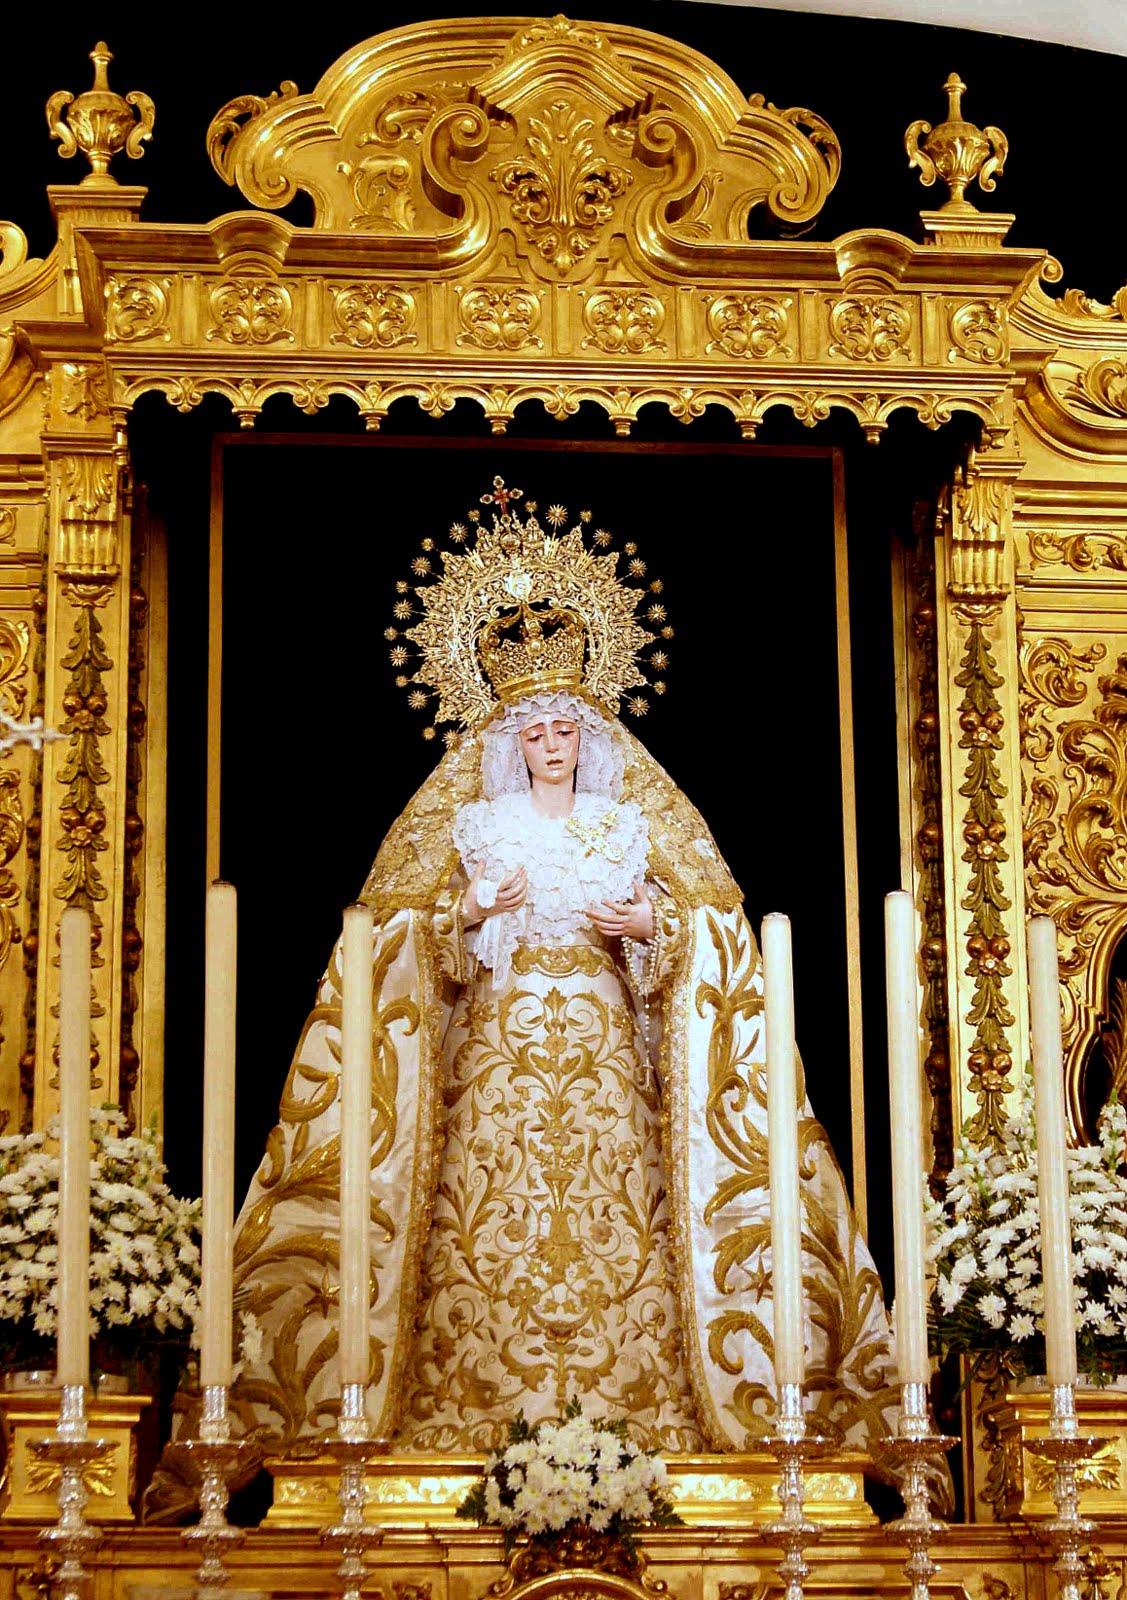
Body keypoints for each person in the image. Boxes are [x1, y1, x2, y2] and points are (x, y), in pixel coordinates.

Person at [203, 484, 903, 1463]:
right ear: (503, 737)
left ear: (588, 733)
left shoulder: (630, 826)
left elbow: (708, 941)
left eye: (563, 728)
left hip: (608, 1053)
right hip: (494, 1061)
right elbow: (399, 953)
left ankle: (644, 1416)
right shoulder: (470, 826)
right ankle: (475, 1413)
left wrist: (650, 926)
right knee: (489, 1220)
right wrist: (465, 915)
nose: (548, 741)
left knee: (623, 1221)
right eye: (531, 730)